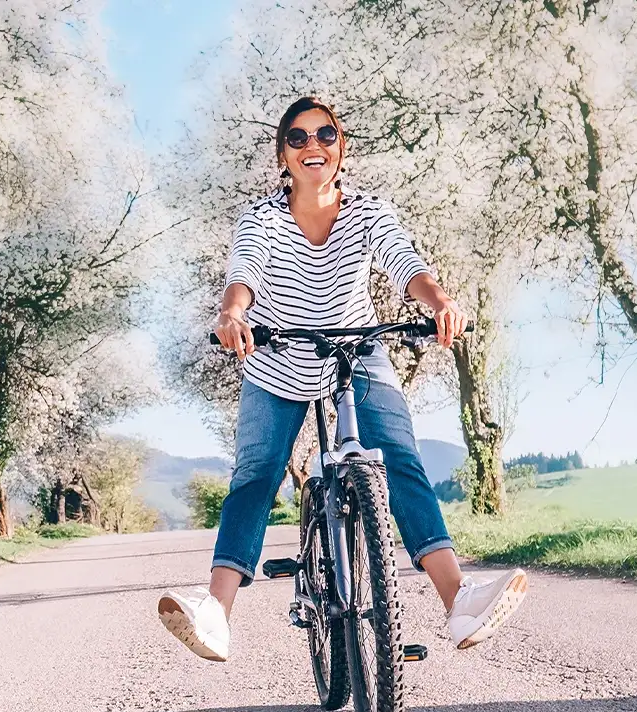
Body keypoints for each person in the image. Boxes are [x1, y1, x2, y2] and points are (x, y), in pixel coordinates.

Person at [158, 96, 527, 662]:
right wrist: (233, 314)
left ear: (341, 147)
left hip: (355, 355)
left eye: (325, 135)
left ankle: (460, 601)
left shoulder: (368, 213)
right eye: (299, 138)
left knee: (398, 458)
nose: (313, 146)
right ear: (283, 154)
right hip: (278, 357)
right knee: (255, 476)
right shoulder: (261, 219)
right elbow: (244, 275)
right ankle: (216, 613)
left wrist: (440, 301)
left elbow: (406, 264)